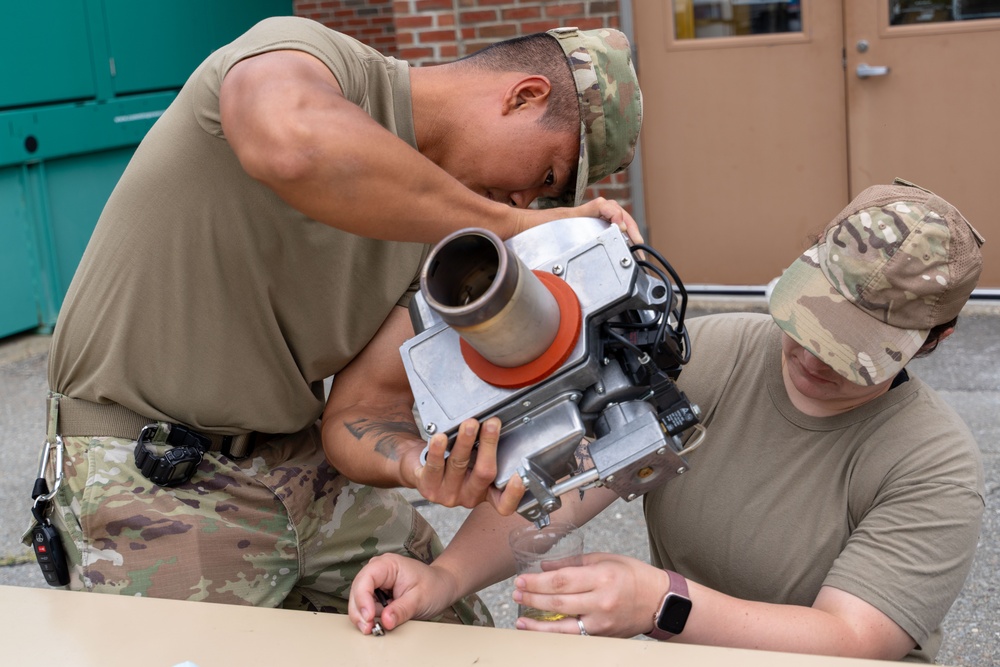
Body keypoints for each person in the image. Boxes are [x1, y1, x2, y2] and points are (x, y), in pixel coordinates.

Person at [28, 15, 643, 622]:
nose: (524, 204)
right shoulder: (309, 57)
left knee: (448, 630)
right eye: (544, 177)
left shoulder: (441, 243)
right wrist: (512, 228)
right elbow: (292, 146)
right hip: (150, 465)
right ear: (524, 97)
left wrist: (416, 466)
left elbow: (358, 414)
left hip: (291, 459)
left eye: (542, 202)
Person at [347, 179, 986, 662]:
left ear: (935, 339)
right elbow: (581, 476)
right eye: (811, 322)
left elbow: (850, 637)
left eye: (853, 349)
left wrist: (663, 603)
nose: (815, 356)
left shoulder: (932, 464)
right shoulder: (711, 352)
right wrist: (442, 579)